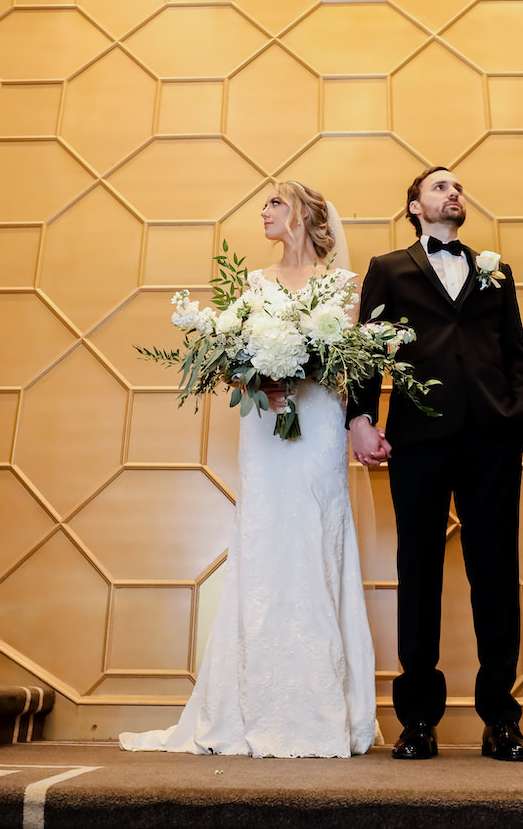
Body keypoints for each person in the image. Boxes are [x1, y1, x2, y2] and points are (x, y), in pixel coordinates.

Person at [119, 180, 377, 758]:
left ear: (306, 216)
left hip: (316, 429)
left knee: (314, 541)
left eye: (275, 203)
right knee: (262, 543)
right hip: (265, 430)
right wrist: (261, 376)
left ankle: (322, 709)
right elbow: (230, 360)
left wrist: (300, 374)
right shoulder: (253, 285)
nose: (263, 212)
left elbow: (348, 365)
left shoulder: (342, 286)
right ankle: (249, 703)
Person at [346, 165, 523, 762]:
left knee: (496, 571)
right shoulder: (388, 269)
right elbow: (367, 349)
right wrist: (359, 418)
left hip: (492, 436)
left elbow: (515, 350)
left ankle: (501, 719)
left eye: (458, 187)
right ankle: (418, 721)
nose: (454, 193)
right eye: (440, 187)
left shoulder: (495, 271)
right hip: (418, 437)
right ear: (414, 206)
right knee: (419, 570)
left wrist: (517, 416)